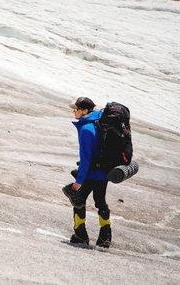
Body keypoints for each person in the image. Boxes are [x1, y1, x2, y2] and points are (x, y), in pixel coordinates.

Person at [62, 97, 112, 248]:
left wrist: (79, 181)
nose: (74, 111)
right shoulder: (100, 122)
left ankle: (80, 235)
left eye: (76, 109)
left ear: (84, 111)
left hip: (91, 174)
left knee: (78, 202)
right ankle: (105, 238)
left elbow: (86, 158)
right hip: (104, 173)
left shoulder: (86, 129)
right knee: (101, 203)